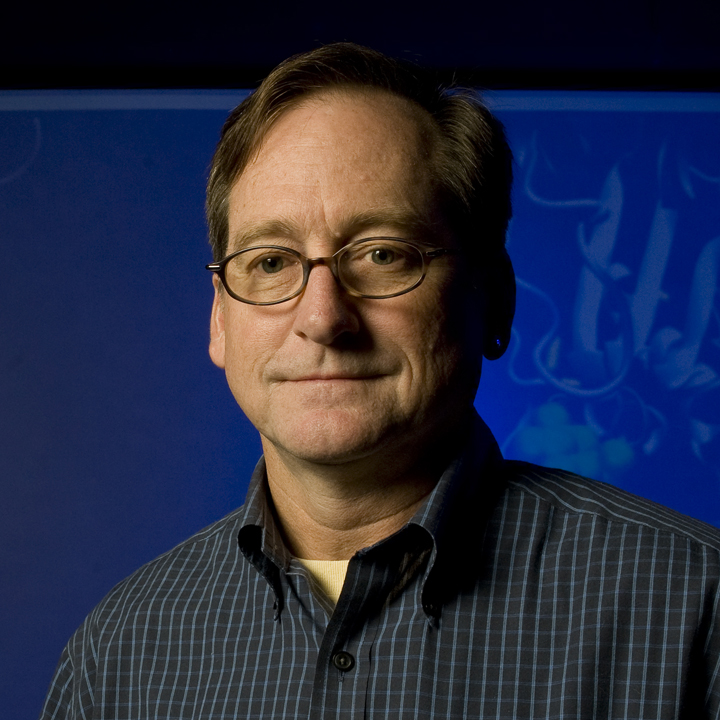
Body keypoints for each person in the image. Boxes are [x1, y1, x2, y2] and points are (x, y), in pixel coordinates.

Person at [40, 43, 720, 719]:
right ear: (220, 320)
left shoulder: (696, 610)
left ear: (495, 298)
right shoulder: (117, 656)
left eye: (382, 254)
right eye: (271, 262)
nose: (323, 318)